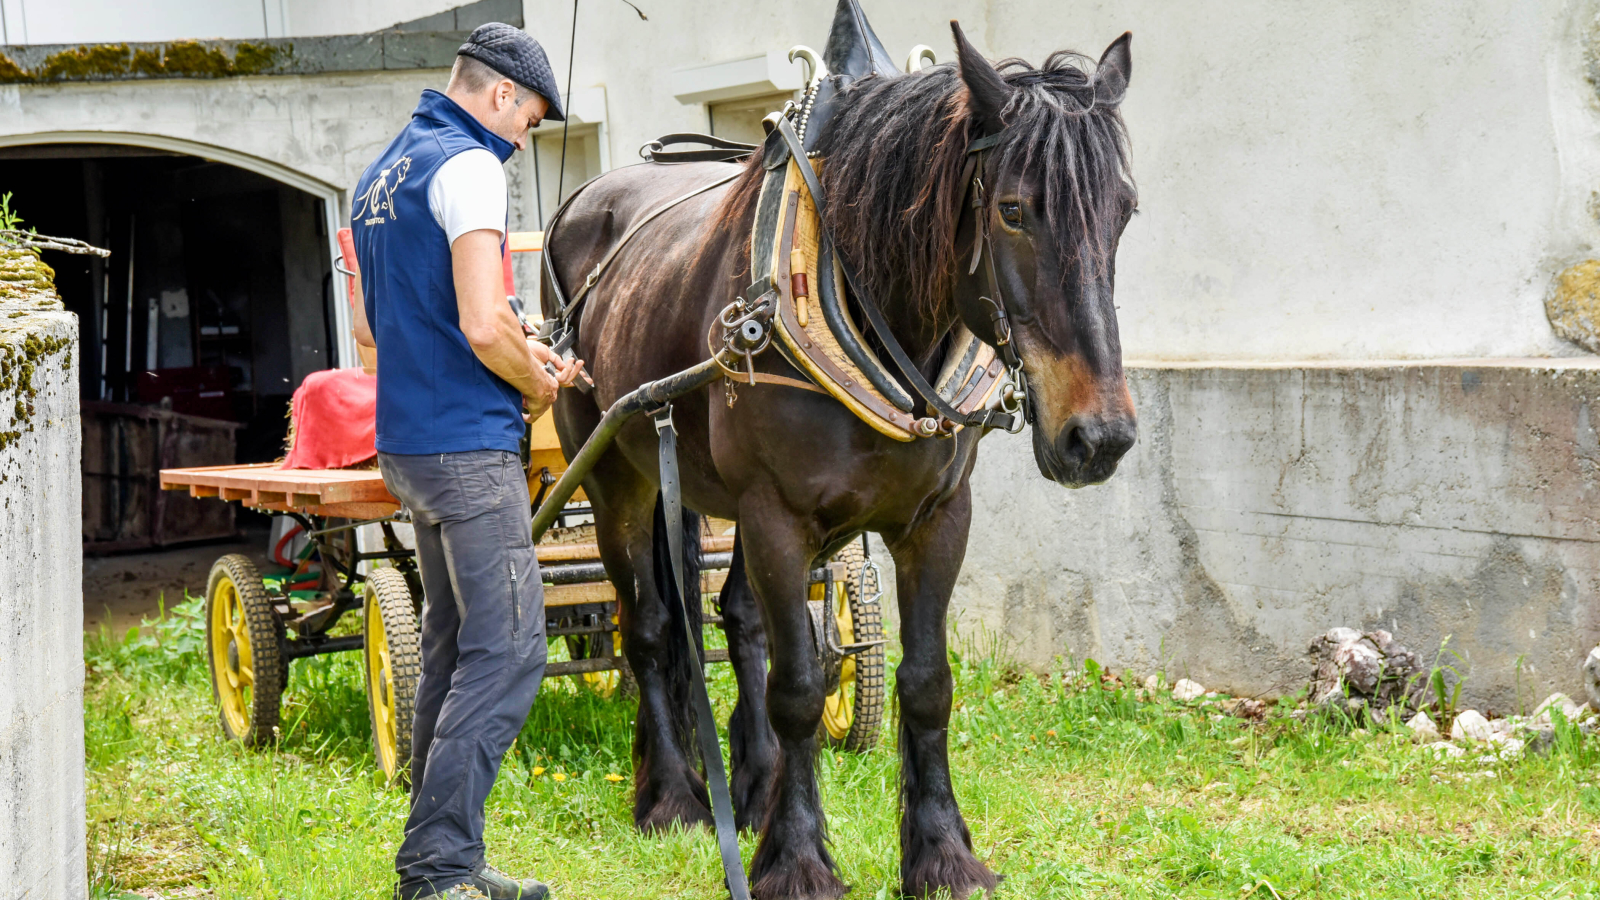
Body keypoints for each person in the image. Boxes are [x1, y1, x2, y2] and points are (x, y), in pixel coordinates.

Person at [348, 22, 584, 900]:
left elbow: (374, 336)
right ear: (497, 95)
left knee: (453, 648)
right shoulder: (470, 165)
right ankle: (438, 868)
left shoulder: (382, 175)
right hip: (467, 447)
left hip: (409, 444)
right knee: (514, 649)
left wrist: (514, 347)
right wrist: (539, 384)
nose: (525, 137)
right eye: (529, 117)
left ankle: (450, 854)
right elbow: (484, 325)